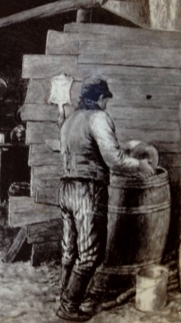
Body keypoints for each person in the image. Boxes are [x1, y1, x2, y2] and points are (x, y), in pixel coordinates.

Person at [56, 76, 155, 322]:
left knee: (70, 249)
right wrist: (140, 165)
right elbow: (114, 160)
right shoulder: (98, 118)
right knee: (90, 254)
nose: (107, 105)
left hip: (66, 189)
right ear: (100, 98)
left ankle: (64, 294)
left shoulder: (70, 120)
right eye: (106, 100)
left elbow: (83, 150)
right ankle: (69, 307)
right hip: (87, 191)